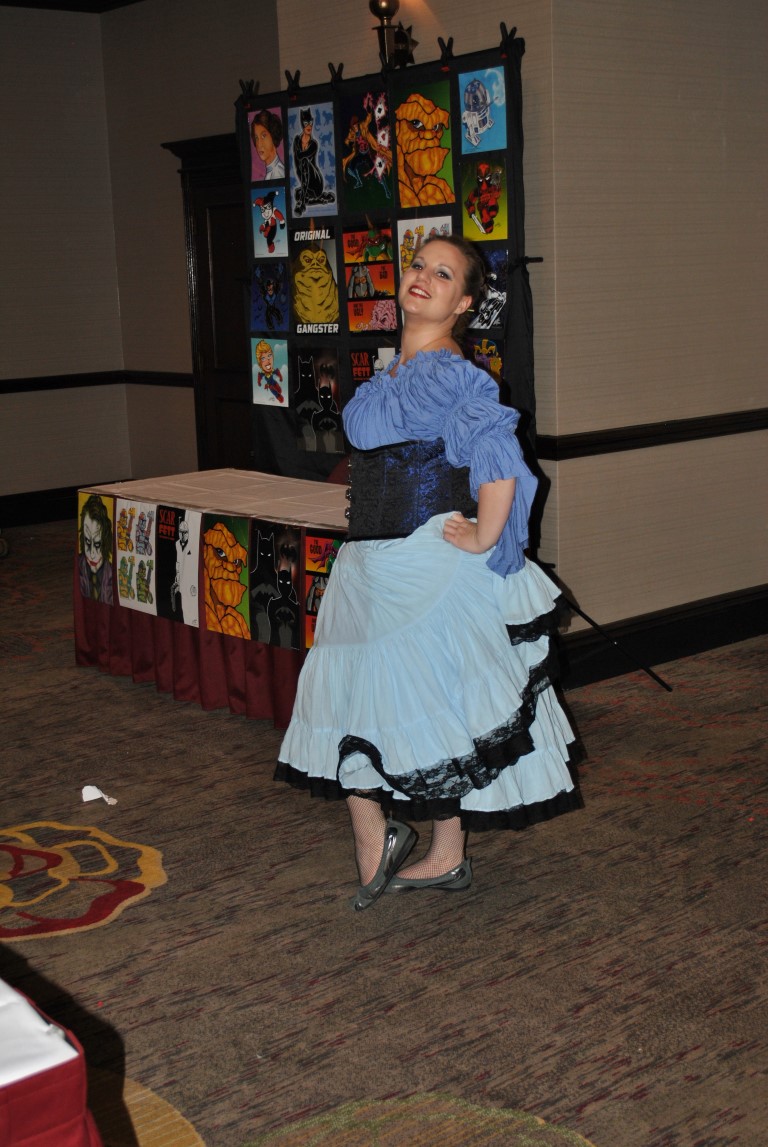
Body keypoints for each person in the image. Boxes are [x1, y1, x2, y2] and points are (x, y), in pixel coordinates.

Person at [275, 234, 581, 911]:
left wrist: (485, 535)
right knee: (388, 703)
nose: (423, 277)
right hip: (368, 565)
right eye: (418, 265)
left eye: (443, 274)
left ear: (464, 302)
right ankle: (432, 850)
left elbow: (500, 461)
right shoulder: (394, 372)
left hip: (423, 565)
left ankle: (406, 848)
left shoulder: (453, 374)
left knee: (415, 705)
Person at [250, 110, 285, 181]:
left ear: (273, 134)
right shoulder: (272, 172)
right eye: (256, 138)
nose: (259, 144)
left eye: (263, 136)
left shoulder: (277, 174)